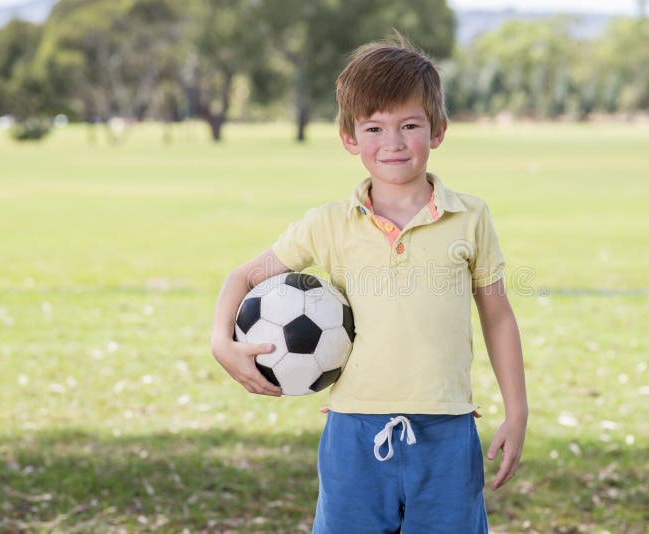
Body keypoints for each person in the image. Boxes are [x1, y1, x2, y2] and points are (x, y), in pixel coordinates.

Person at [211, 34, 527, 533]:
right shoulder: (329, 223)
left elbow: (498, 314)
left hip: (447, 430)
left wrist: (517, 409)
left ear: (438, 129)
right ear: (349, 138)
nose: (394, 143)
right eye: (374, 128)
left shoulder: (470, 216)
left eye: (409, 125)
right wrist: (221, 343)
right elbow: (244, 276)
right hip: (353, 433)